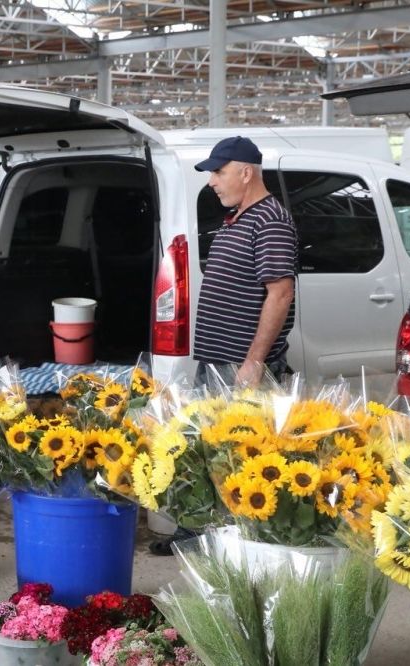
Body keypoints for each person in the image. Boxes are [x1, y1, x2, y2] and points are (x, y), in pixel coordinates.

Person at [150, 136, 297, 557]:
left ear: (246, 172)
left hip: (240, 365)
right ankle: (198, 531)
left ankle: (234, 543)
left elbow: (280, 293)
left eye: (218, 172)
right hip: (218, 362)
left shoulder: (270, 220)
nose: (212, 181)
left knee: (239, 455)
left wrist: (254, 361)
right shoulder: (240, 218)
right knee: (207, 449)